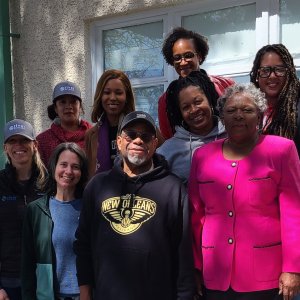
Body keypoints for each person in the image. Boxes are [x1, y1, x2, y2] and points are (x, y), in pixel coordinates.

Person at [189, 83, 300, 300]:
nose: (239, 115)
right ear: (221, 118)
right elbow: (196, 217)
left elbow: (294, 214)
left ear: (259, 116)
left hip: (266, 275)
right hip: (215, 273)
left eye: (247, 110)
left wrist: (293, 268)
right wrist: (195, 267)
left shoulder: (281, 150)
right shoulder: (202, 156)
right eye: (231, 111)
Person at [74, 111, 195, 300]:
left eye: (146, 136)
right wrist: (85, 293)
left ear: (155, 144)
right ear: (120, 141)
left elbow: (183, 253)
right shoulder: (97, 186)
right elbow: (83, 245)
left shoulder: (174, 189)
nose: (138, 140)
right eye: (131, 135)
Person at [21, 143, 88, 300]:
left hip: (85, 295)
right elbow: (27, 264)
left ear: (81, 172)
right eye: (63, 164)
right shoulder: (35, 210)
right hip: (48, 296)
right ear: (53, 168)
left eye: (75, 166)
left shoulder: (89, 208)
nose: (69, 171)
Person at [158, 27, 234, 139]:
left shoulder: (226, 85)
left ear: (199, 56)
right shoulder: (166, 100)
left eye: (188, 55)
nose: (183, 62)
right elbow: (168, 135)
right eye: (177, 58)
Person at [0, 119, 47, 300]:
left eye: (24, 140)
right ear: (6, 148)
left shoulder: (48, 182)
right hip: (9, 280)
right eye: (13, 141)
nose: (18, 145)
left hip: (43, 276)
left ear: (34, 145)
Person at [157, 71, 226, 183]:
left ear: (209, 100)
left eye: (198, 102)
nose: (194, 110)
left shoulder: (232, 134)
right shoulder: (168, 151)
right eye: (186, 107)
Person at [250, 43, 300, 156]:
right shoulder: (248, 109)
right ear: (257, 76)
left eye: (279, 69)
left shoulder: (296, 110)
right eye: (265, 70)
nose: (272, 76)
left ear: (289, 73)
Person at [85, 69, 135, 178]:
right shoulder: (91, 135)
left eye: (118, 93)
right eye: (107, 92)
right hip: (102, 193)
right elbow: (89, 175)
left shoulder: (142, 128)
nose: (112, 98)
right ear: (100, 96)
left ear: (127, 97)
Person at [37, 81, 92, 166]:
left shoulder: (93, 136)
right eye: (63, 102)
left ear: (80, 107)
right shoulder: (42, 141)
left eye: (73, 102)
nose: (68, 106)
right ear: (55, 108)